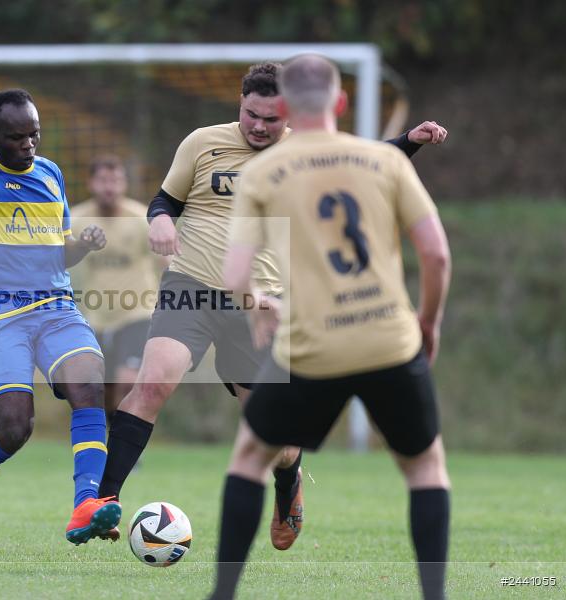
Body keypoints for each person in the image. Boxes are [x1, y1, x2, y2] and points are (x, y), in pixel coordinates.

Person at [98, 61, 448, 550]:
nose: (259, 126)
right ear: (238, 105)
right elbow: (165, 201)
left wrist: (410, 140)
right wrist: (159, 221)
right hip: (191, 288)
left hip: (264, 307)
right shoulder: (202, 143)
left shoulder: (301, 153)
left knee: (279, 446)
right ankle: (102, 502)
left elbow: (367, 159)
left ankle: (290, 485)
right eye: (250, 114)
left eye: (270, 118)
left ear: (287, 113)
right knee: (152, 383)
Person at [210, 54, 451, 600]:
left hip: (312, 347)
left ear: (287, 108)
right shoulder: (384, 161)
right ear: (341, 103)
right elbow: (435, 255)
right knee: (425, 467)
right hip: (389, 341)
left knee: (250, 458)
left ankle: (223, 592)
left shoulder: (262, 172)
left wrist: (257, 303)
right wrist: (428, 323)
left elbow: (235, 274)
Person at [0, 87, 121, 554]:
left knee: (90, 383)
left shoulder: (51, 173)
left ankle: (85, 505)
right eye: (16, 137)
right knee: (15, 427)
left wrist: (82, 246)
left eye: (34, 134)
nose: (29, 144)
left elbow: (57, 253)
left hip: (54, 307)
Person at [70, 155, 165, 418]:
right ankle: (113, 444)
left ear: (124, 184)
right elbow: (56, 259)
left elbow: (166, 262)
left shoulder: (140, 218)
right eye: (103, 180)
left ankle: (127, 453)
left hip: (137, 313)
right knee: (101, 389)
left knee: (128, 381)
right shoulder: (76, 220)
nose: (109, 187)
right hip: (96, 316)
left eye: (115, 180)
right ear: (90, 183)